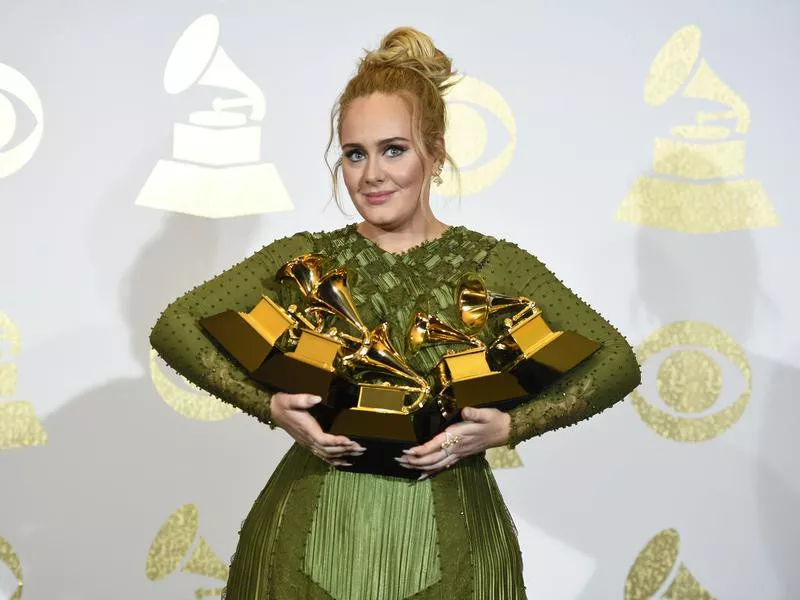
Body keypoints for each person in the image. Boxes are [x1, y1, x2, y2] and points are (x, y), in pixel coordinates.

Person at [149, 26, 641, 600]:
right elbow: (176, 326)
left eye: (394, 150)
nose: (372, 175)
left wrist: (511, 427)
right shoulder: (305, 258)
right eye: (354, 154)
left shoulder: (495, 265)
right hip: (300, 547)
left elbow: (616, 362)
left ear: (436, 154)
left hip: (457, 552)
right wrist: (271, 407)